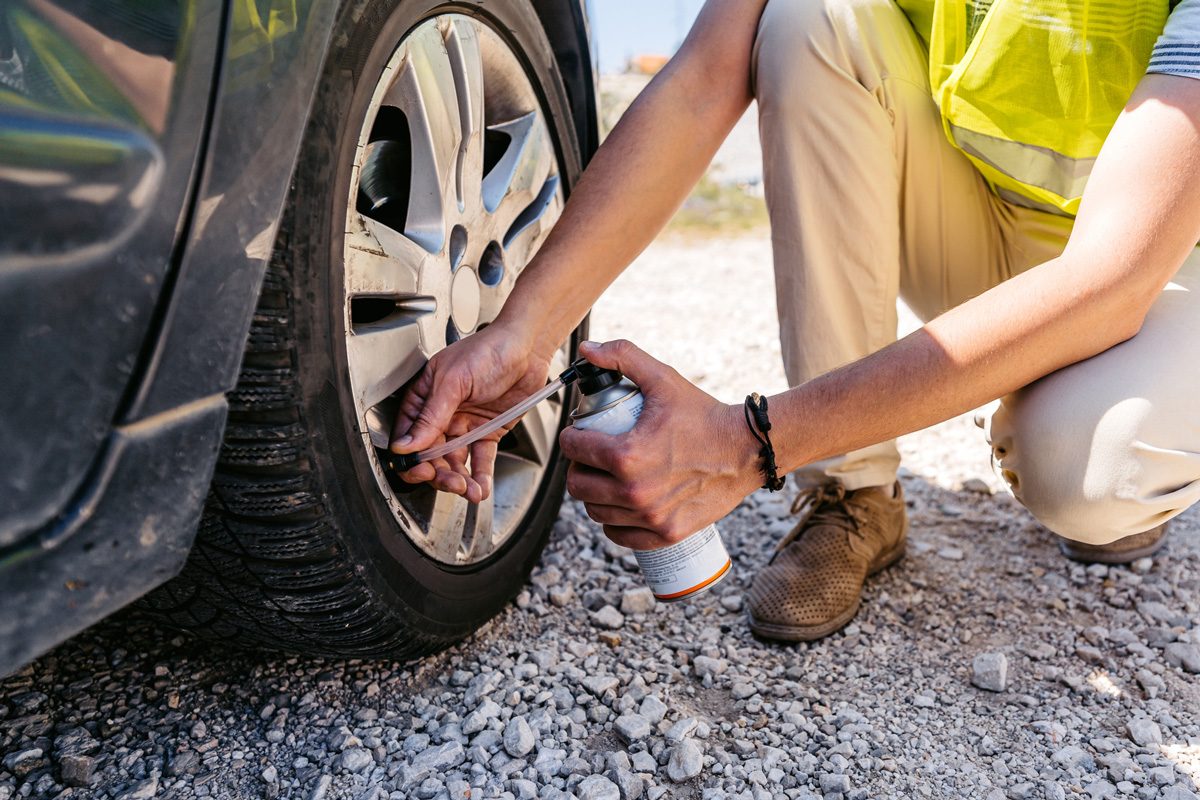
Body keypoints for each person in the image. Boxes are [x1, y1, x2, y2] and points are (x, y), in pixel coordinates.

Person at [389, 0, 1200, 641]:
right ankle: (854, 493)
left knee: (1082, 462)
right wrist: (523, 334)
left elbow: (1114, 277)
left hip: (1160, 264)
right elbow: (705, 80)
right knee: (807, 17)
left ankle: (1133, 470)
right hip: (984, 222)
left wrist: (746, 445)